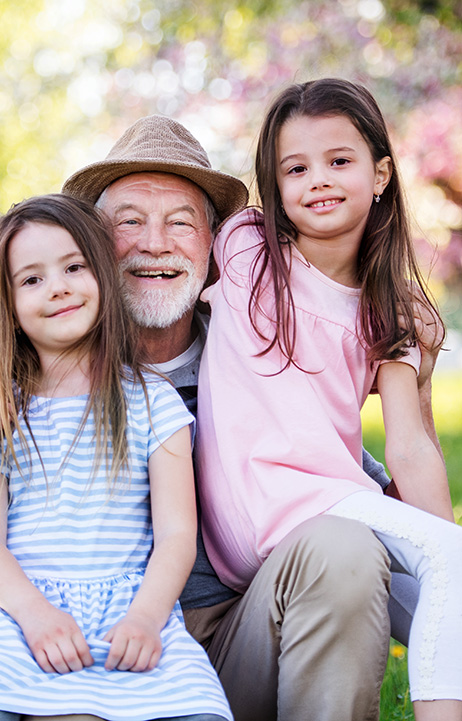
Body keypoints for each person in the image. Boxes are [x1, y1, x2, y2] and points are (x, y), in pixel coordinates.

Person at [0, 114, 433, 721]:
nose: (154, 243)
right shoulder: (28, 381)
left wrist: (410, 383)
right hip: (86, 652)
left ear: (216, 246)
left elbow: (378, 508)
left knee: (342, 544)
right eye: (128, 222)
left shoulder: (259, 353)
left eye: (181, 223)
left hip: (245, 645)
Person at [196, 78, 462, 721]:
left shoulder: (388, 309)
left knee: (449, 585)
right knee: (449, 560)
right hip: (269, 509)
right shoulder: (246, 249)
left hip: (335, 517)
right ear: (273, 189)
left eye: (339, 161)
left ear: (381, 174)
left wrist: (437, 547)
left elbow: (409, 447)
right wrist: (443, 552)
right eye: (296, 168)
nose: (318, 179)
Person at [0, 193, 232, 721]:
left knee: (202, 712)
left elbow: (176, 534)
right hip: (17, 611)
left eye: (74, 267)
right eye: (31, 279)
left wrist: (147, 617)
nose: (57, 287)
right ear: (4, 301)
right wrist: (34, 614)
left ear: (101, 273)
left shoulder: (152, 399)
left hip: (128, 608)